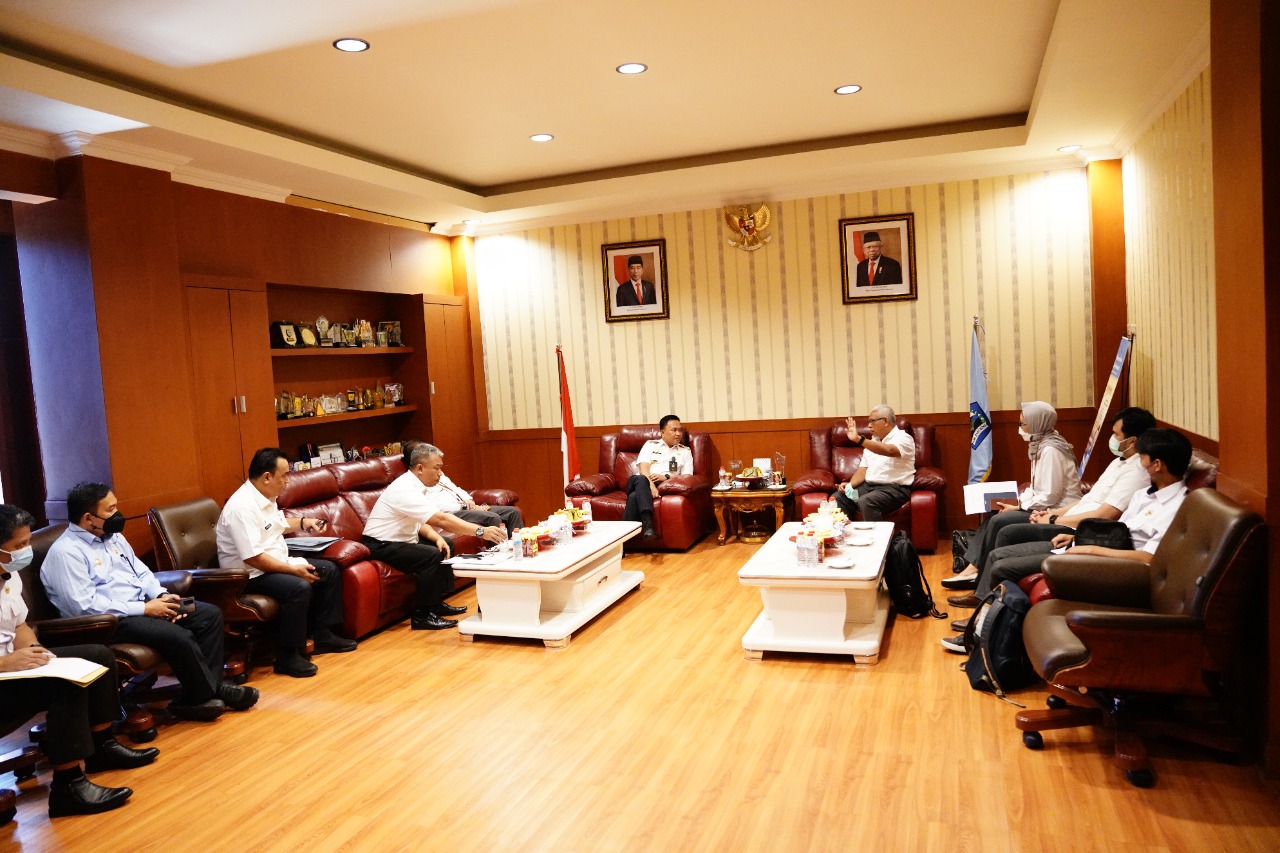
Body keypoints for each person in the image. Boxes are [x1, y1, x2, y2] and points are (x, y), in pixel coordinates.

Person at [940, 428, 1192, 653]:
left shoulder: (1177, 507)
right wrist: (1076, 537)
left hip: (1118, 568)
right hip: (1091, 548)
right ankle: (983, 623)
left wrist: (1090, 550)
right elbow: (1117, 530)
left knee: (1003, 567)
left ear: (1157, 465)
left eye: (1143, 458)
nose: (1140, 463)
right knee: (998, 555)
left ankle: (979, 635)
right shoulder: (1144, 495)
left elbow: (1148, 557)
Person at [41, 483, 258, 720]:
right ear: (88, 518)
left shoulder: (113, 538)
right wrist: (145, 608)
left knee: (209, 615)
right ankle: (211, 692)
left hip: (142, 604)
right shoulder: (66, 553)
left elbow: (142, 573)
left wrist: (160, 595)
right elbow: (83, 607)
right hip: (110, 621)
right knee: (178, 635)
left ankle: (197, 696)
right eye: (110, 510)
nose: (117, 514)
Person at [1, 504, 159, 817]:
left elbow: (18, 625)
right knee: (65, 685)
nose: (26, 551)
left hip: (15, 665)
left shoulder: (10, 575)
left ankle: (102, 747)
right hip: (4, 671)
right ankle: (68, 787)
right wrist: (6, 664)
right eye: (19, 545)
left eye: (28, 542)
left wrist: (37, 651)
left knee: (98, 656)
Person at [945, 406, 1155, 599]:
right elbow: (1086, 499)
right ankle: (979, 578)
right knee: (998, 520)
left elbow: (1095, 512)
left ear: (1132, 441)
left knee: (1003, 525)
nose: (1112, 439)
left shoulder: (1135, 472)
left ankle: (982, 590)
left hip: (1076, 525)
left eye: (1116, 435)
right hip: (1063, 515)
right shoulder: (1118, 462)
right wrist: (1050, 515)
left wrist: (1051, 517)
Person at [215, 448, 358, 678]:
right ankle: (287, 656)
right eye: (284, 476)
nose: (288, 481)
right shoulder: (242, 508)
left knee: (329, 570)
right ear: (267, 477)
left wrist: (303, 522)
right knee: (297, 588)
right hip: (248, 576)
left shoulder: (265, 497)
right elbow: (254, 558)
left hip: (272, 563)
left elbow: (277, 524)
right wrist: (293, 570)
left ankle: (322, 634)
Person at [362, 443, 507, 630]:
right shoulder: (404, 489)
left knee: (444, 543)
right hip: (381, 544)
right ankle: (421, 616)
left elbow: (420, 521)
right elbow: (441, 519)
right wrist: (480, 531)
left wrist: (437, 538)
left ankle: (435, 604)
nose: (440, 474)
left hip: (400, 539)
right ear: (420, 468)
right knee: (430, 556)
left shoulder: (415, 485)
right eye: (436, 468)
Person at [941, 401, 1082, 592]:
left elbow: (1049, 495)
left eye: (1023, 424)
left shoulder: (1051, 450)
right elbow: (1036, 486)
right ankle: (974, 569)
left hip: (1056, 511)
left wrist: (1019, 506)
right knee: (994, 516)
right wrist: (1019, 502)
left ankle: (976, 573)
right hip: (1044, 506)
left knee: (999, 521)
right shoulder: (1040, 443)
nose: (1020, 428)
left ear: (1038, 423)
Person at [399, 440, 524, 534]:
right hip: (452, 513)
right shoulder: (413, 484)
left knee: (513, 512)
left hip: (466, 508)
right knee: (492, 518)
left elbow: (455, 488)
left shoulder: (436, 471)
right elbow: (435, 508)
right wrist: (462, 506)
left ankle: (519, 550)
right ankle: (498, 555)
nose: (440, 472)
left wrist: (468, 500)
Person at [831, 405, 916, 521]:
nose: (869, 425)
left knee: (867, 501)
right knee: (838, 498)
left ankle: (874, 534)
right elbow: (863, 470)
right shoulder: (872, 442)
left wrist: (859, 439)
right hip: (868, 486)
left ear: (885, 421)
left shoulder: (904, 438)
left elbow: (889, 450)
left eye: (872, 421)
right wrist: (850, 485)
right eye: (868, 422)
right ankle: (846, 531)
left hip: (894, 488)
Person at [623, 415, 693, 539]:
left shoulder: (685, 451)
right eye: (674, 430)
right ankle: (648, 524)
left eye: (680, 430)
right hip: (638, 481)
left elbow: (687, 476)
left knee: (634, 497)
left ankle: (624, 540)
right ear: (663, 432)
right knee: (641, 480)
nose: (678, 434)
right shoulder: (650, 445)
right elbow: (643, 469)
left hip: (660, 486)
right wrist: (651, 485)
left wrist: (666, 477)